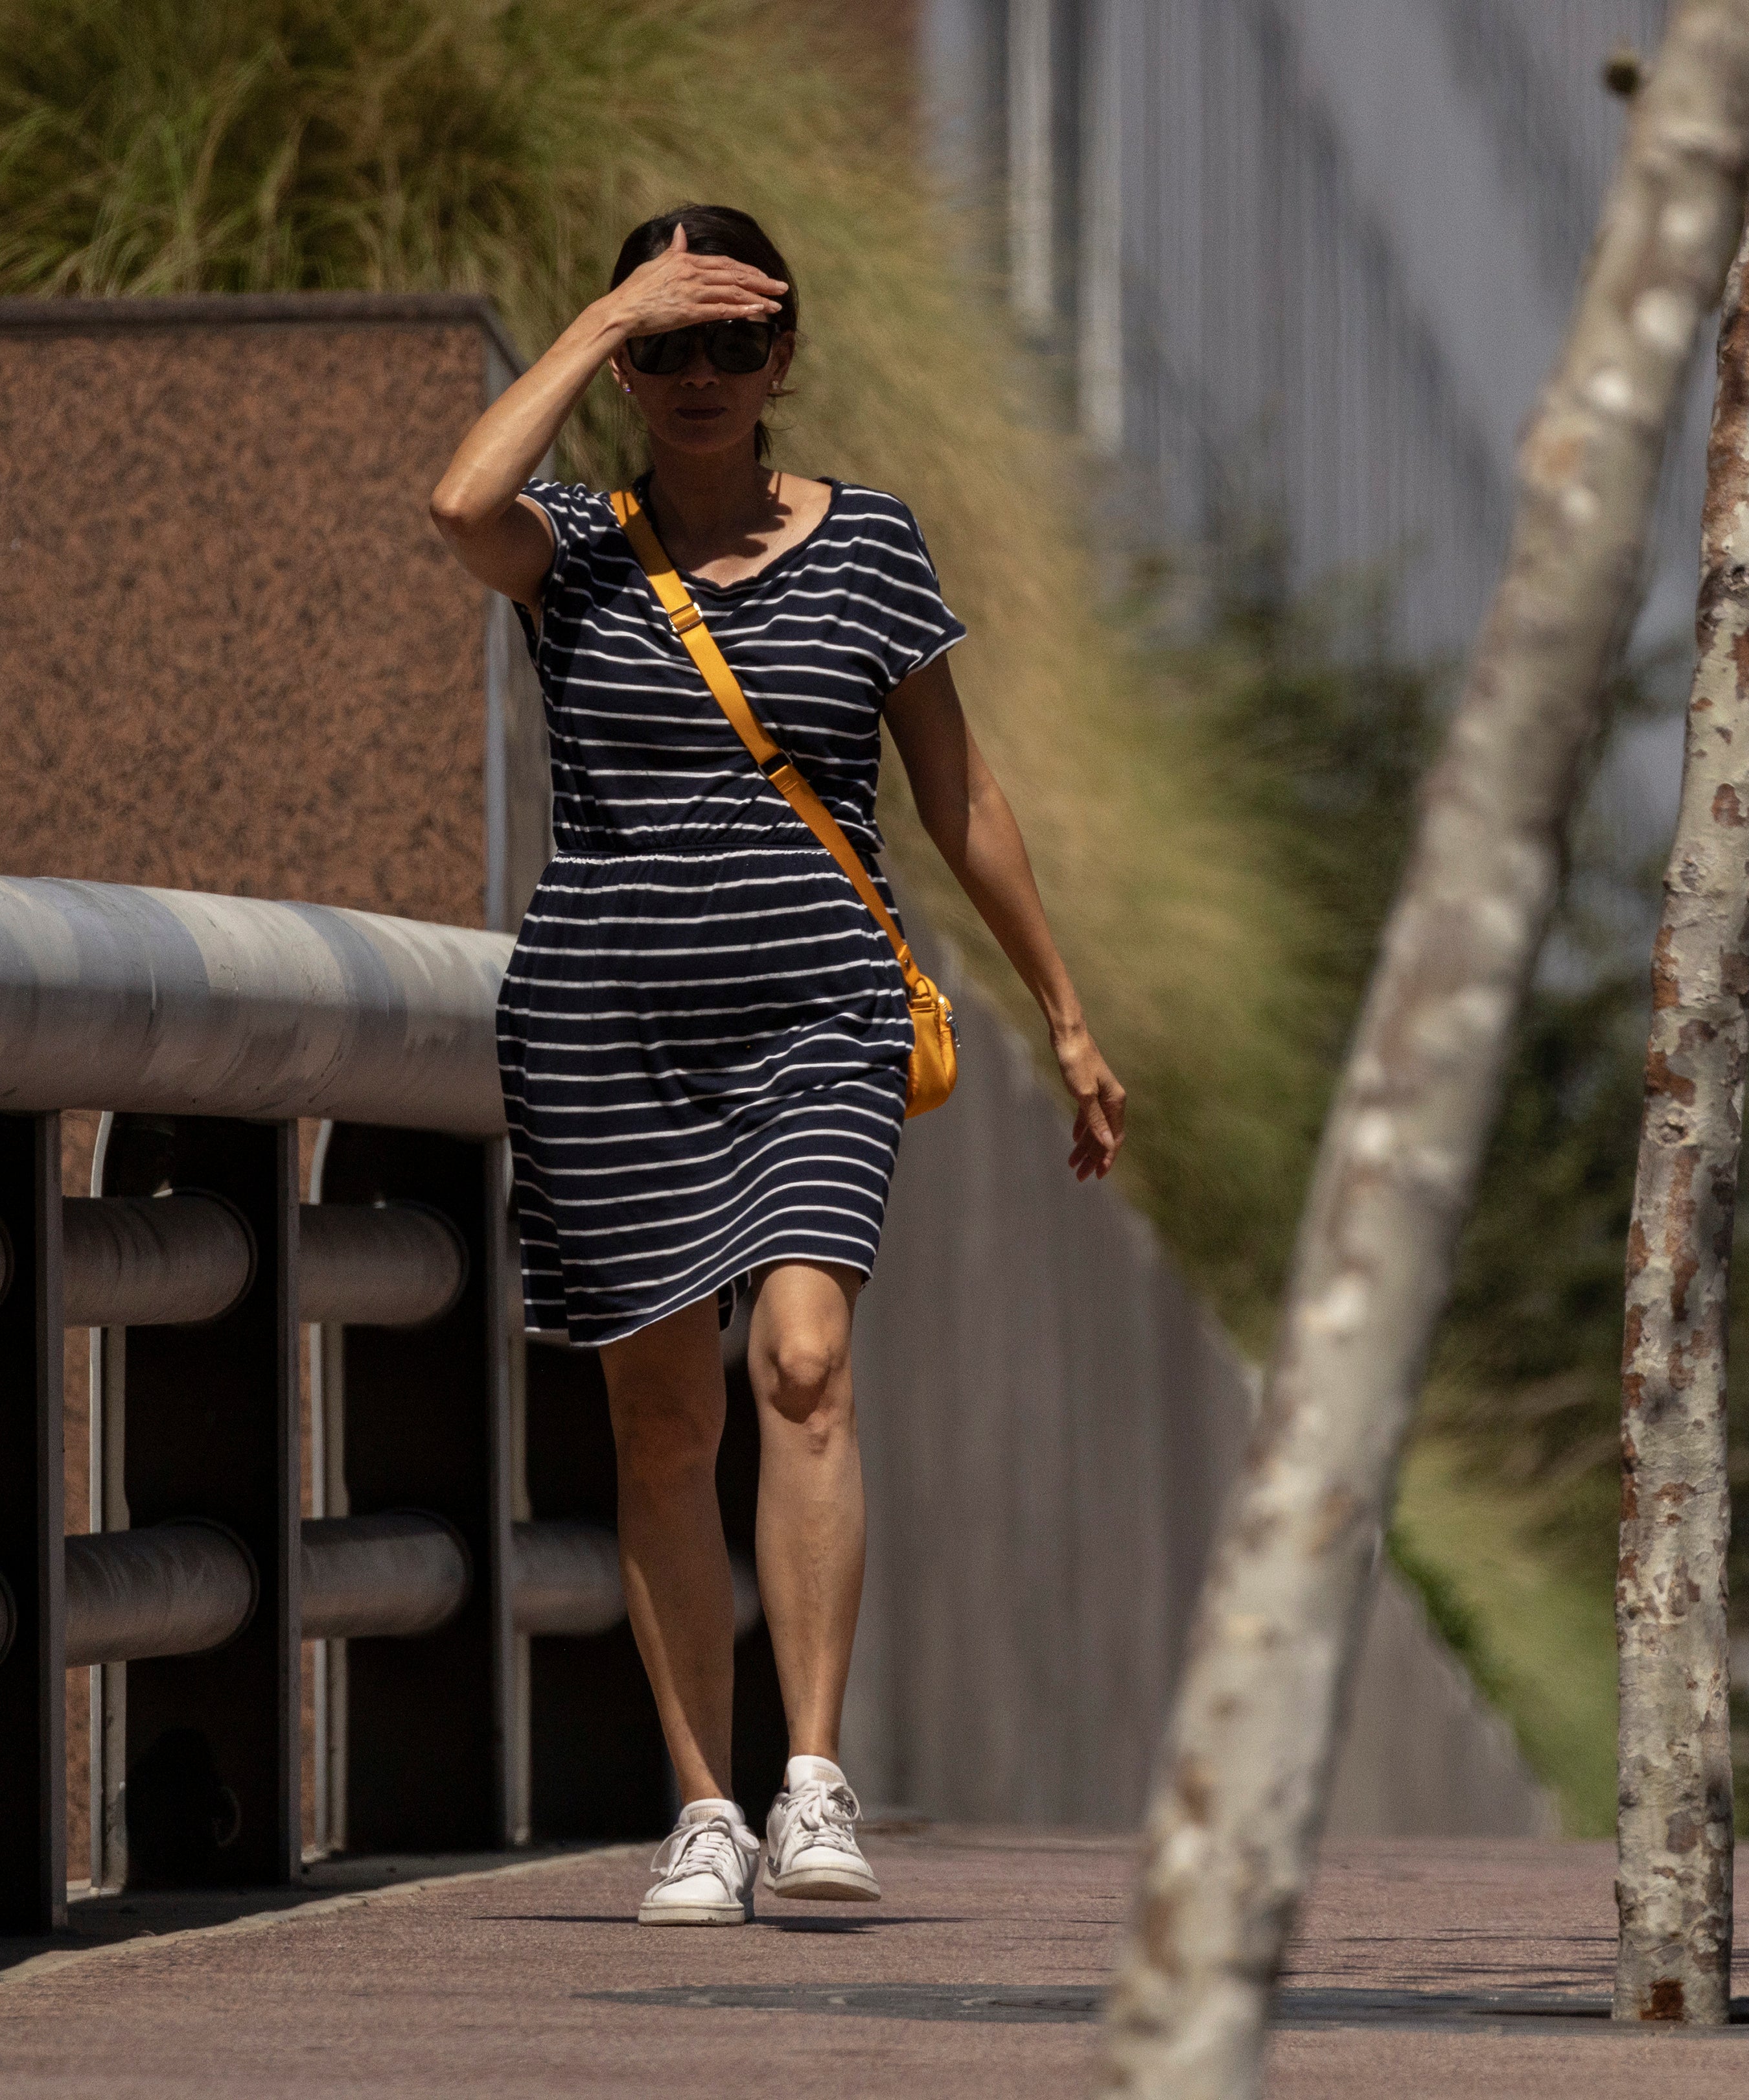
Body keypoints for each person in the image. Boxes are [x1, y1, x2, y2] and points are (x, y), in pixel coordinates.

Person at [428, 205, 1126, 1924]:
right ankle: (700, 1807)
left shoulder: (871, 545)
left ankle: (810, 1782)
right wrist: (597, 321)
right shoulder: (575, 545)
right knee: (657, 1414)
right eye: (666, 347)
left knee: (801, 1365)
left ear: (782, 362)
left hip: (821, 1005)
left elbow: (960, 794)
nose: (695, 378)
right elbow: (456, 509)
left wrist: (1063, 1008)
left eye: (729, 344)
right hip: (605, 1017)